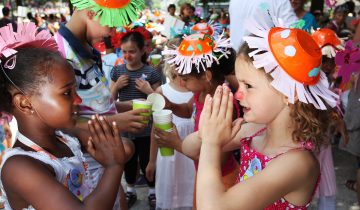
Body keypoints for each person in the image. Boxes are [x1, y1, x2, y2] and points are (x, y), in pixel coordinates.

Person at [195, 13, 338, 209]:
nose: (238, 94)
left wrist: (211, 143)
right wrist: (209, 132)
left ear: (289, 93)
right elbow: (189, 147)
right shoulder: (255, 131)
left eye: (248, 86)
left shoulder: (298, 163)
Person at [0, 22, 126, 210]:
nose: (77, 100)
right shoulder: (19, 167)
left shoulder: (65, 138)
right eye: (67, 93)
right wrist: (114, 166)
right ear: (25, 103)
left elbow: (122, 147)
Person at [54, 0, 146, 209]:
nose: (111, 32)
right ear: (91, 13)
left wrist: (126, 107)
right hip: (85, 167)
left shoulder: (88, 50)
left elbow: (94, 102)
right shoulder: (61, 57)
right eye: (111, 25)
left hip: (104, 161)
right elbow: (64, 122)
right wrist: (116, 122)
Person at [160, 33, 239, 209]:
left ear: (206, 76)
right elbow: (189, 111)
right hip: (205, 173)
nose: (180, 82)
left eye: (185, 78)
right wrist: (170, 105)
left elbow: (219, 158)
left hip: (221, 180)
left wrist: (177, 144)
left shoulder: (222, 104)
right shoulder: (200, 93)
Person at [109, 31, 161, 209]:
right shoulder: (117, 71)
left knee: (148, 160)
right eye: (124, 51)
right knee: (128, 162)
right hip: (124, 128)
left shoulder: (150, 72)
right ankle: (130, 189)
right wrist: (116, 86)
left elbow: (160, 101)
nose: (127, 56)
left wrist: (148, 90)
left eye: (131, 51)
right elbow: (109, 100)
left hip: (146, 128)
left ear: (141, 51)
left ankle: (152, 191)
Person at [146, 61, 196, 210]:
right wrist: (152, 161)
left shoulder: (197, 92)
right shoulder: (162, 91)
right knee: (170, 197)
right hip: (167, 158)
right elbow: (156, 128)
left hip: (191, 159)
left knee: (190, 197)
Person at [229, 0, 298, 52]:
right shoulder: (279, 1)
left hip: (236, 58)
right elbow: (294, 33)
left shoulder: (234, 1)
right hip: (260, 63)